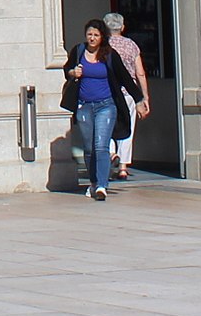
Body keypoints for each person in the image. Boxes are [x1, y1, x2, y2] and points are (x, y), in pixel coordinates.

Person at [62, 18, 135, 201]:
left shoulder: (110, 55)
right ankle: (93, 182)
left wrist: (140, 99)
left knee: (101, 146)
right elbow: (66, 69)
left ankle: (102, 185)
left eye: (96, 35)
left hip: (106, 105)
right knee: (89, 148)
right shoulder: (78, 51)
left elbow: (125, 77)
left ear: (102, 37)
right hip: (84, 106)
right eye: (90, 35)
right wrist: (73, 73)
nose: (92, 38)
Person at [102, 13, 151, 181]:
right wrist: (144, 97)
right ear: (122, 27)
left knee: (106, 124)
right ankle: (123, 166)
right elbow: (140, 73)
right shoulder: (131, 45)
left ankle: (111, 152)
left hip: (108, 90)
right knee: (127, 127)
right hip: (128, 93)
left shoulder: (103, 45)